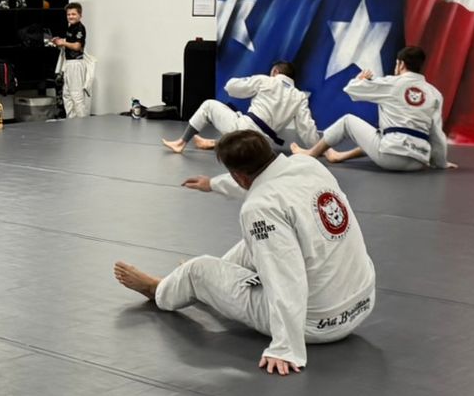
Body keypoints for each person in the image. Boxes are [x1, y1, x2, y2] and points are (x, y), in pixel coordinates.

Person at [116, 130, 375, 376]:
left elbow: (285, 276)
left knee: (199, 269)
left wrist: (286, 348)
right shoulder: (308, 165)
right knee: (254, 243)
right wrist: (214, 184)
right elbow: (263, 176)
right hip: (360, 303)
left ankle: (160, 289)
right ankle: (199, 286)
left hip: (317, 323)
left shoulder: (260, 207)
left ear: (239, 176)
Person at [301, 46, 454, 172]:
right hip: (418, 161)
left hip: (390, 157)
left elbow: (351, 89)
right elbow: (436, 133)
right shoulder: (434, 93)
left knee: (348, 121)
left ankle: (312, 153)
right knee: (380, 133)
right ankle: (340, 156)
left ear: (400, 64)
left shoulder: (391, 83)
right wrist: (441, 163)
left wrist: (360, 79)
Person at [164, 61, 319, 155]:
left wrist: (248, 81)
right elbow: (307, 128)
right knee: (238, 120)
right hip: (265, 146)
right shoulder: (299, 97)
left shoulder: (266, 81)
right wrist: (319, 149)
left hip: (244, 130)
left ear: (276, 71)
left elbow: (232, 88)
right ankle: (213, 143)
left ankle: (180, 143)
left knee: (209, 105)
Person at [52, 2, 91, 119]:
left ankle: (82, 122)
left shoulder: (80, 28)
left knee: (76, 95)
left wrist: (63, 42)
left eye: (73, 14)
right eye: (68, 14)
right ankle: (72, 121)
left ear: (80, 15)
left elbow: (77, 46)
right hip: (69, 63)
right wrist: (59, 42)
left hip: (76, 63)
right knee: (67, 95)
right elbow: (70, 44)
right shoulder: (71, 28)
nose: (70, 16)